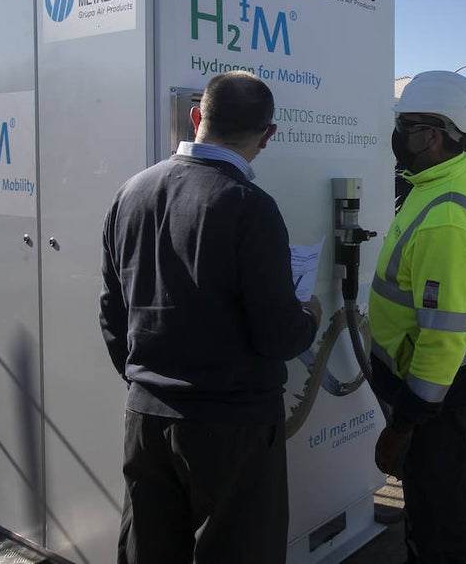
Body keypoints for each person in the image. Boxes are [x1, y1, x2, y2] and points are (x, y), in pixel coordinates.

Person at [99, 70, 321, 564]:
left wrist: (145, 381)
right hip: (233, 425)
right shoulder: (250, 207)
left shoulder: (130, 193)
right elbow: (278, 335)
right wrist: (309, 317)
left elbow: (112, 312)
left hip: (146, 417)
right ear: (268, 135)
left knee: (149, 550)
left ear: (197, 116)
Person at [370, 70, 466, 564]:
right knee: (431, 496)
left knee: (437, 507)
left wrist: (404, 424)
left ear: (435, 135)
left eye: (407, 126)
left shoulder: (445, 216)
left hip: (436, 396)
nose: (398, 135)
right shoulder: (435, 186)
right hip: (440, 389)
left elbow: (442, 338)